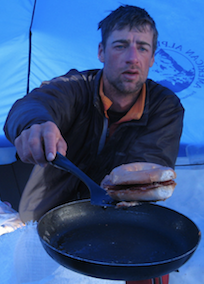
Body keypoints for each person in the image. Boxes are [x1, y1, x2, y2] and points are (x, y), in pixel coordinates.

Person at [4, 5, 183, 223]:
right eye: (121, 46)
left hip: (117, 222)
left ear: (153, 59)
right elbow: (35, 103)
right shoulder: (76, 87)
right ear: (101, 52)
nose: (133, 58)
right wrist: (35, 124)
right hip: (45, 214)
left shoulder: (165, 105)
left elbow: (151, 164)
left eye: (143, 48)